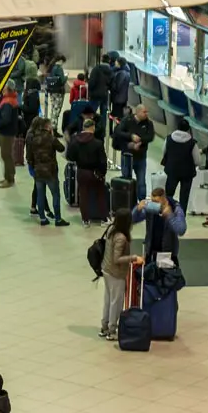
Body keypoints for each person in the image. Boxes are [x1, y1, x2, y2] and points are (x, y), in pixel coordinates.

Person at [99, 209, 141, 341]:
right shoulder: (121, 238)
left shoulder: (112, 229)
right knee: (116, 302)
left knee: (108, 300)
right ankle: (112, 330)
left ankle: (104, 327)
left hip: (106, 269)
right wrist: (134, 258)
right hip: (115, 273)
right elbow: (117, 259)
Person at [26, 117, 69, 227]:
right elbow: (62, 148)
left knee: (40, 194)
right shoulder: (51, 138)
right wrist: (53, 136)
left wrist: (32, 166)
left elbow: (29, 156)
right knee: (55, 195)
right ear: (48, 127)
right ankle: (58, 219)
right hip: (50, 171)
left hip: (38, 171)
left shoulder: (34, 138)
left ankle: (42, 218)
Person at [65, 118, 108, 226]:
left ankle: (85, 220)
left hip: (81, 171)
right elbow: (103, 161)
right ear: (92, 127)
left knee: (83, 196)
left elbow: (69, 156)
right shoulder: (97, 143)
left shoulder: (74, 140)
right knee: (100, 195)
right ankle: (104, 219)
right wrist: (102, 173)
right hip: (95, 172)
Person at [132, 187, 187, 265]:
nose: (153, 204)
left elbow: (181, 230)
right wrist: (137, 209)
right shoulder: (151, 208)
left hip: (168, 254)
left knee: (167, 276)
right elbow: (132, 220)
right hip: (150, 252)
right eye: (152, 201)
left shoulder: (176, 208)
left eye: (156, 202)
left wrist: (170, 216)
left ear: (164, 199)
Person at [111, 104, 152, 200]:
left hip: (141, 157)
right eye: (144, 112)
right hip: (127, 156)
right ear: (137, 112)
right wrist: (131, 137)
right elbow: (118, 132)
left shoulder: (148, 123)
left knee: (141, 182)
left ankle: (142, 202)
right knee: (126, 179)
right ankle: (126, 200)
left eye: (147, 112)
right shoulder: (127, 121)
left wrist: (141, 141)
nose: (146, 114)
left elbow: (150, 136)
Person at [160, 118, 200, 217]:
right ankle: (181, 216)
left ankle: (168, 212)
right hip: (187, 173)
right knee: (184, 196)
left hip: (172, 170)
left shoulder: (169, 138)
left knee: (169, 193)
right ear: (188, 129)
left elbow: (164, 152)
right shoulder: (192, 143)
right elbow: (197, 160)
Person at [0, 85, 24, 189]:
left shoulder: (8, 102)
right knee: (7, 155)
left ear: (8, 90)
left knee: (6, 155)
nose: (2, 90)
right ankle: (9, 176)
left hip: (6, 132)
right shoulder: (11, 100)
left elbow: (6, 119)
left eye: (4, 89)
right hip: (9, 131)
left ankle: (9, 178)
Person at [87, 53, 113, 130]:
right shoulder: (111, 71)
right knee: (104, 114)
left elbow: (92, 82)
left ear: (101, 60)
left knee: (90, 112)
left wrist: (90, 92)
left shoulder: (96, 69)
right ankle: (102, 130)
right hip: (105, 95)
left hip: (95, 94)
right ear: (109, 61)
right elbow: (111, 83)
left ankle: (89, 128)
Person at [44, 54, 68, 129]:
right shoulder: (59, 68)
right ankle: (54, 128)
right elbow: (62, 80)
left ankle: (51, 126)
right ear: (60, 61)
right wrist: (66, 76)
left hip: (52, 91)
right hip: (59, 92)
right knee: (56, 110)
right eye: (63, 62)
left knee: (53, 109)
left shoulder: (52, 67)